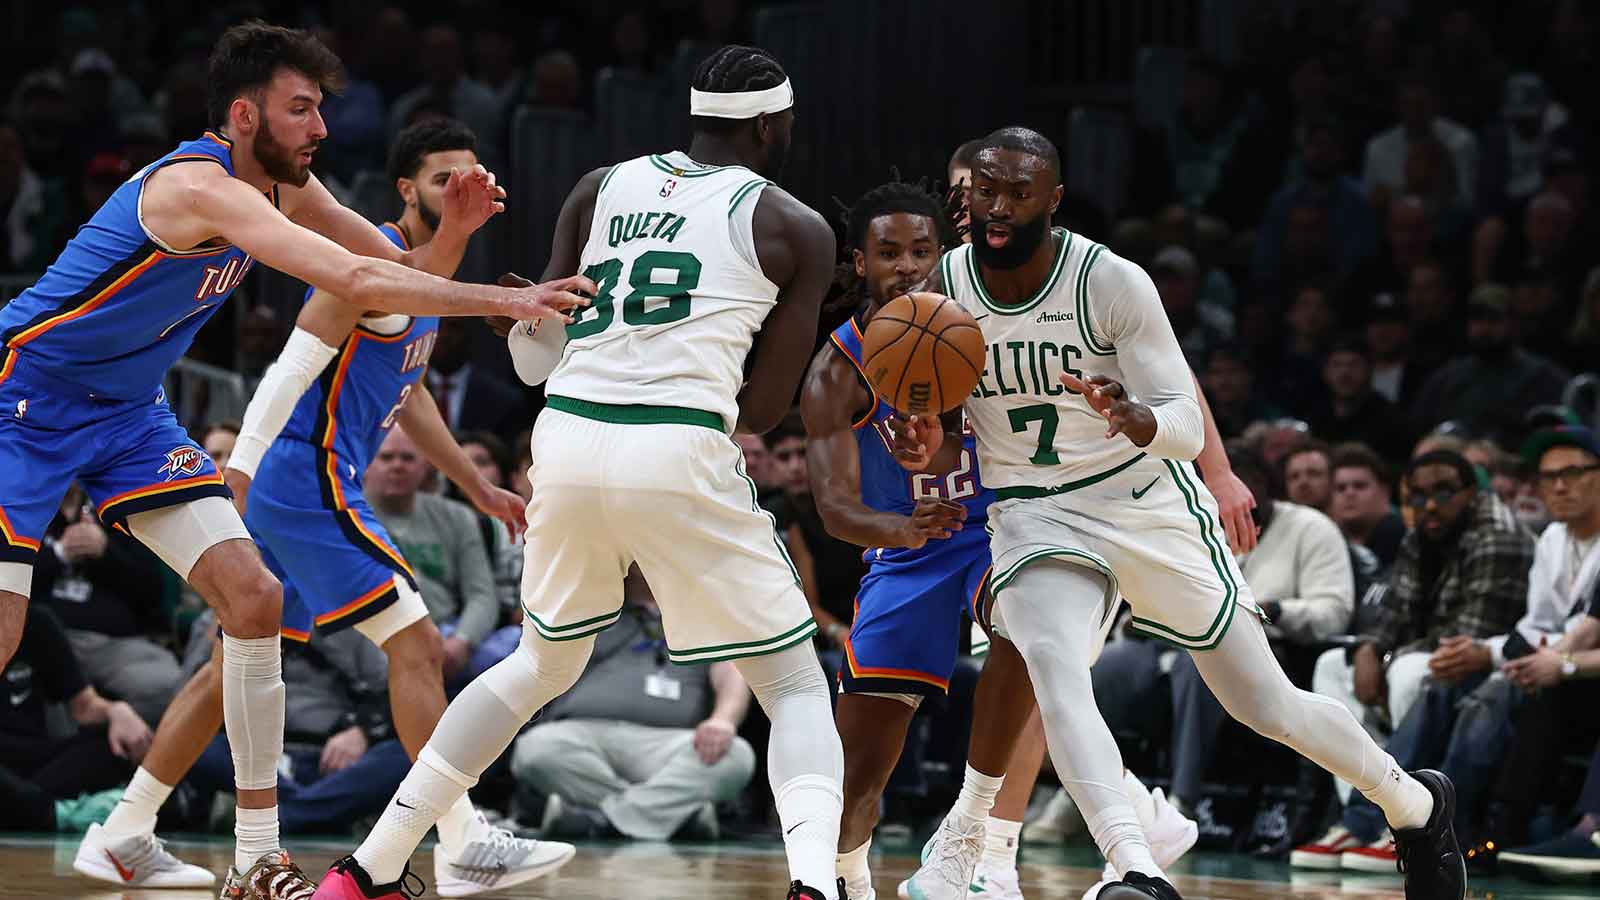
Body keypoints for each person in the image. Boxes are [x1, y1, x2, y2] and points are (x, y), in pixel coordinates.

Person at [0, 20, 582, 897]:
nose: (319, 128)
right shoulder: (204, 188)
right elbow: (359, 287)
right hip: (24, 399)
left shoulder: (285, 190)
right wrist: (499, 295)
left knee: (255, 599)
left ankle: (254, 856)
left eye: (322, 109)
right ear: (244, 115)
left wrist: (494, 291)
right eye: (300, 109)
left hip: (126, 417)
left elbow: (394, 270)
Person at [313, 45, 846, 900]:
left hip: (563, 439)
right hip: (676, 442)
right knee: (791, 681)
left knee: (539, 665)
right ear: (775, 124)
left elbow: (534, 358)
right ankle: (815, 887)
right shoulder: (796, 227)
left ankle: (367, 867)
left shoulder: (599, 186)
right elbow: (760, 412)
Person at [892, 127, 1465, 900]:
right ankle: (1135, 868)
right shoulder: (943, 293)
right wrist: (923, 440)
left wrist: (1136, 417)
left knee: (1267, 705)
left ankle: (1415, 804)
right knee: (1049, 661)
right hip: (1034, 514)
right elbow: (941, 442)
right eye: (985, 190)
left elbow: (1186, 423)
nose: (996, 208)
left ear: (1052, 201)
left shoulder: (1111, 280)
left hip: (1144, 500)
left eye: (1016, 193)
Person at [1295, 450, 1531, 870]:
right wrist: (1369, 648)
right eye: (1419, 496)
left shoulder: (1497, 535)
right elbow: (1394, 612)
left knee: (1409, 673)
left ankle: (1403, 823)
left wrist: (1386, 658)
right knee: (1334, 664)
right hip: (1436, 655)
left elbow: (1466, 633)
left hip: (1489, 661)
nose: (1431, 505)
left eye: (1444, 492)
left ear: (1471, 492)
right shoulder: (1421, 531)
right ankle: (1364, 813)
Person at [1092, 445, 1353, 813]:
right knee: (1112, 663)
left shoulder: (1311, 528)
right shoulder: (1197, 524)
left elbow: (1333, 612)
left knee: (1202, 659)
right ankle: (1094, 792)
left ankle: (1182, 800)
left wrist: (1272, 609)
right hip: (1178, 640)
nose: (1222, 496)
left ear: (1264, 485)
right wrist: (1140, 617)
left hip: (1273, 650)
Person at [515, 568, 756, 841]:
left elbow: (732, 671)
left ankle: (597, 820)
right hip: (584, 736)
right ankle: (674, 816)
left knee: (736, 756)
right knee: (537, 748)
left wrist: (723, 719)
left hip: (668, 746)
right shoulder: (592, 605)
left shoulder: (702, 613)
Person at [0, 604, 153, 833]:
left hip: (37, 763)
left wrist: (117, 711)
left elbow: (84, 706)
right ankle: (53, 812)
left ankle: (27, 807)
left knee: (114, 745)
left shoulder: (34, 620)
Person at [1329, 444, 1406, 569]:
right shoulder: (1325, 543)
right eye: (1340, 488)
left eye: (1359, 486)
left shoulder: (1407, 541)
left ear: (1384, 492)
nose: (1349, 493)